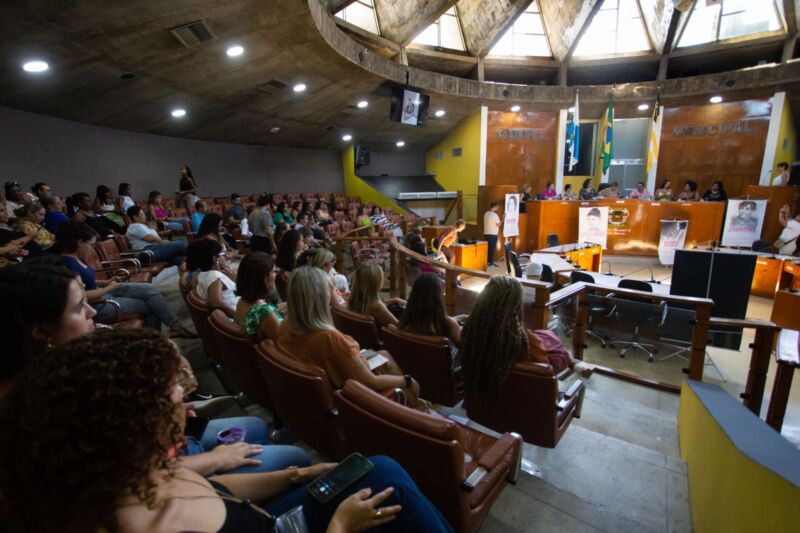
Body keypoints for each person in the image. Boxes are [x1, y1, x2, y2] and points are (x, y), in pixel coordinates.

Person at [0, 328, 453, 533]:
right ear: (128, 427)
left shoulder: (131, 472)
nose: (188, 410)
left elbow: (208, 485)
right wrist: (339, 525)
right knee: (393, 486)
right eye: (175, 402)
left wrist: (298, 476)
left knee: (381, 471)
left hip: (267, 516)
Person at [277, 266, 422, 403]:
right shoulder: (329, 338)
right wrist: (407, 380)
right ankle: (418, 412)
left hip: (317, 394)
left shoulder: (286, 324)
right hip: (351, 396)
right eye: (329, 288)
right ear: (320, 296)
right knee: (398, 375)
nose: (332, 290)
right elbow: (372, 382)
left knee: (384, 354)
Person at [460, 277, 592, 402]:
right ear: (516, 306)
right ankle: (573, 362)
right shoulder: (523, 341)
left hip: (480, 405)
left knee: (545, 336)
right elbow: (546, 373)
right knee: (553, 346)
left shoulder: (470, 332)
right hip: (521, 407)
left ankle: (572, 362)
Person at [57, 220, 195, 337]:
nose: (92, 249)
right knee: (151, 307)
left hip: (104, 291)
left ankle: (173, 327)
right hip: (99, 304)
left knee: (151, 290)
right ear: (80, 242)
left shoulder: (79, 258)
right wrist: (108, 288)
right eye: (91, 245)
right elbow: (82, 294)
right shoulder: (67, 264)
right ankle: (154, 339)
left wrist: (106, 282)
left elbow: (87, 282)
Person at [398, 273, 463, 348]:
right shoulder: (449, 325)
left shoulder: (406, 319)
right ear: (438, 297)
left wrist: (458, 318)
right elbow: (461, 344)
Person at [235, 252, 284, 341]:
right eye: (274, 271)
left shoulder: (241, 301)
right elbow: (282, 343)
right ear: (265, 278)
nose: (275, 274)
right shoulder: (264, 312)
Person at [191, 238, 239, 317]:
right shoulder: (215, 277)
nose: (225, 257)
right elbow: (215, 302)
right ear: (215, 259)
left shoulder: (198, 276)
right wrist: (240, 317)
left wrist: (228, 280)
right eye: (222, 254)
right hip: (237, 316)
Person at [348, 262, 406, 327]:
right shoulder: (377, 307)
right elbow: (399, 327)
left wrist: (395, 299)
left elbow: (374, 302)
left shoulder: (354, 300)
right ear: (377, 282)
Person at [483, 202, 502, 267]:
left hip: (486, 233)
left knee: (488, 249)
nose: (498, 208)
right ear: (495, 207)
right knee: (491, 249)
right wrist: (503, 218)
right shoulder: (494, 215)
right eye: (497, 207)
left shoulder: (486, 213)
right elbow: (499, 224)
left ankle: (487, 262)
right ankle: (490, 263)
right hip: (492, 234)